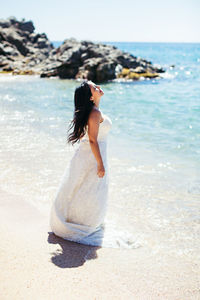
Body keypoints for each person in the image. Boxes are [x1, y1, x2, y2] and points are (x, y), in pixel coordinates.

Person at [49, 80, 112, 246]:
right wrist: (100, 164)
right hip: (92, 155)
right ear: (90, 97)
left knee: (85, 188)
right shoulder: (94, 113)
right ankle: (83, 223)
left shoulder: (94, 111)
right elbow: (92, 140)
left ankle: (82, 220)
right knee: (90, 188)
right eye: (94, 88)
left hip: (89, 154)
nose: (98, 88)